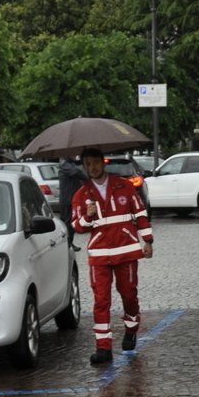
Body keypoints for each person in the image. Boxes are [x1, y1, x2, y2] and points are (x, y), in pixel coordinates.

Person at [70, 146, 152, 366]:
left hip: (126, 252)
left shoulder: (123, 186)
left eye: (95, 162)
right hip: (99, 256)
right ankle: (103, 348)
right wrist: (87, 218)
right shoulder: (81, 195)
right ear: (84, 166)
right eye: (87, 164)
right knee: (101, 301)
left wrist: (148, 240)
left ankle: (131, 328)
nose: (92, 167)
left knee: (129, 296)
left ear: (102, 162)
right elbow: (77, 226)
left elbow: (141, 213)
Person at [57, 157, 87, 245]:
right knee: (68, 223)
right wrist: (87, 179)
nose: (75, 155)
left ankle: (70, 243)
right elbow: (76, 172)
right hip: (67, 200)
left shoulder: (70, 164)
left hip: (71, 198)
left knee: (71, 223)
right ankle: (67, 244)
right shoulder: (64, 164)